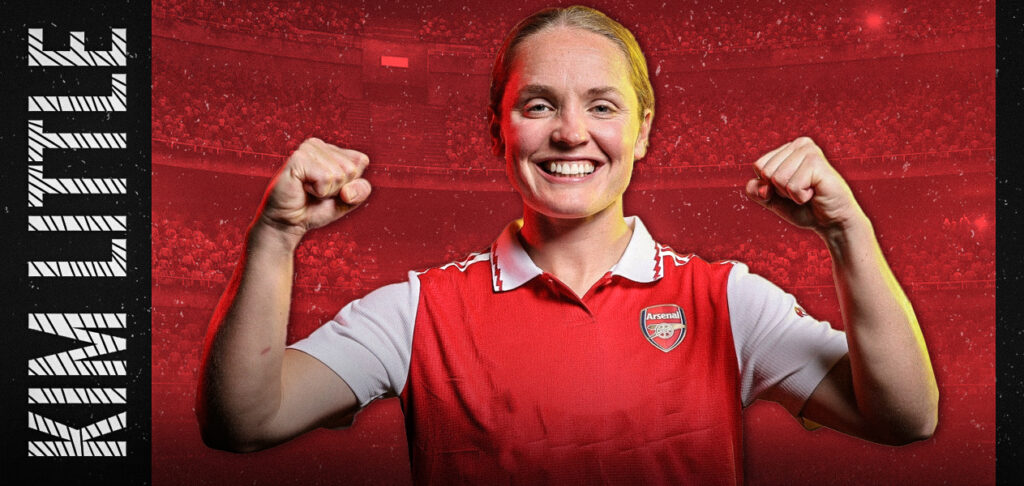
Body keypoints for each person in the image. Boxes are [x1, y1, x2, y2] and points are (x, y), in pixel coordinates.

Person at [196, 5, 938, 484]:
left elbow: (906, 418)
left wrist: (849, 233)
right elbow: (244, 423)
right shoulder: (416, 312)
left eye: (602, 106)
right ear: (499, 131)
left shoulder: (729, 302)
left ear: (642, 132)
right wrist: (276, 236)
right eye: (539, 104)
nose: (571, 132)